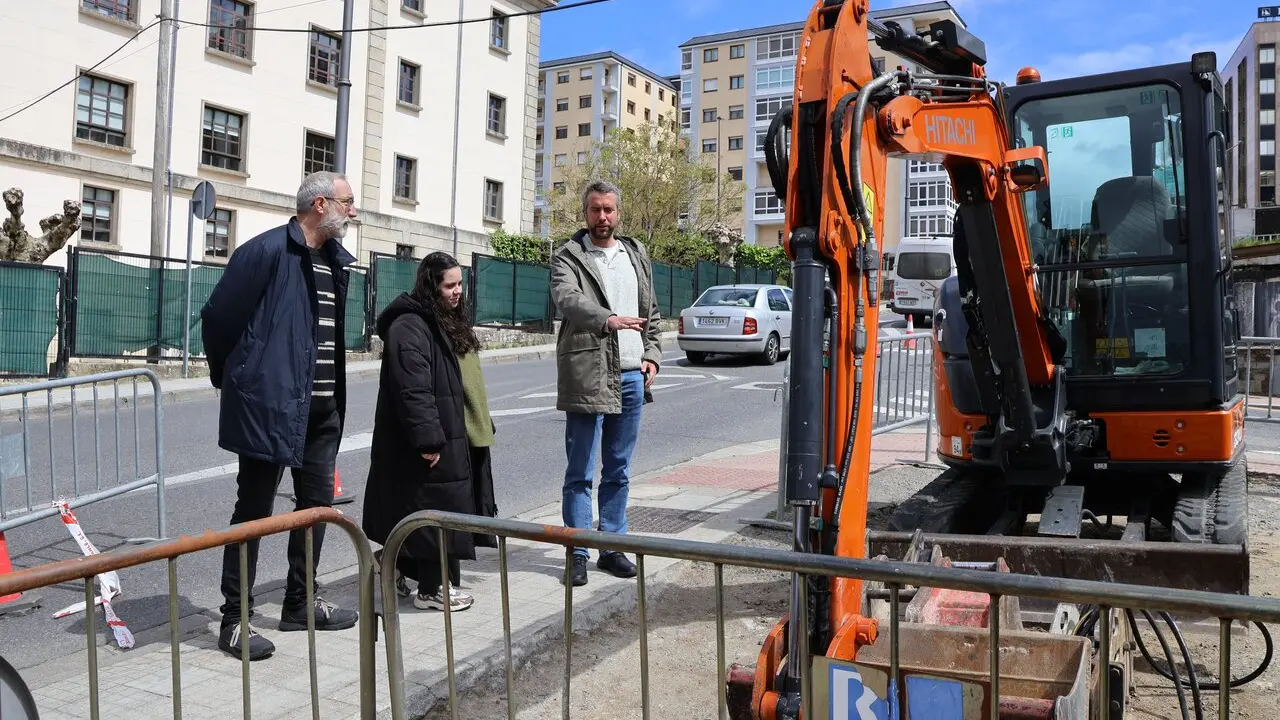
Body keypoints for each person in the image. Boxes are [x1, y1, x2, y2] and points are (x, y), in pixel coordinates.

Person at [200, 171, 360, 661]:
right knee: (253, 514)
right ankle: (234, 620)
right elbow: (218, 319)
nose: (353, 211)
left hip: (322, 411)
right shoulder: (265, 252)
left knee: (314, 510)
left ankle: (299, 602)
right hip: (269, 408)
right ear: (318, 204)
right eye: (347, 202)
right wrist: (239, 378)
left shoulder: (336, 262)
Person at [361, 251, 498, 612]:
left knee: (438, 510)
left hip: (454, 433)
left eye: (459, 284)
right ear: (430, 286)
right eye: (449, 285)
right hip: (430, 440)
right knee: (433, 513)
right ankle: (432, 589)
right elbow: (413, 388)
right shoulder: (409, 326)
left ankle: (397, 567)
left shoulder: (442, 319)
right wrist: (428, 438)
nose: (457, 292)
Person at [549, 180, 663, 587]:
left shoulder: (635, 253)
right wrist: (607, 319)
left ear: (618, 212)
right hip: (588, 375)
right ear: (586, 213)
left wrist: (652, 356)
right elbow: (567, 299)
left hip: (633, 376)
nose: (602, 217)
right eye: (596, 210)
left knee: (618, 469)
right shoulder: (568, 256)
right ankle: (577, 550)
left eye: (609, 210)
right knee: (580, 470)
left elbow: (651, 310)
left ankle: (611, 547)